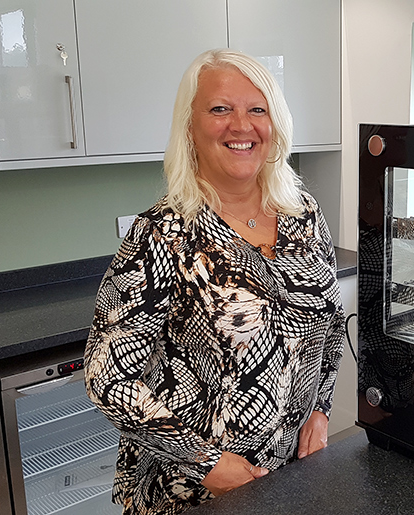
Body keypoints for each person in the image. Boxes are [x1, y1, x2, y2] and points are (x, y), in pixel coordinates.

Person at [84, 49, 345, 515]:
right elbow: (107, 379)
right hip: (188, 495)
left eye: (257, 109)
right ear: (190, 127)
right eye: (220, 109)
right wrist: (205, 462)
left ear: (275, 124)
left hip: (282, 480)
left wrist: (321, 409)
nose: (241, 126)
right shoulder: (164, 235)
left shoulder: (303, 213)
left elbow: (329, 325)